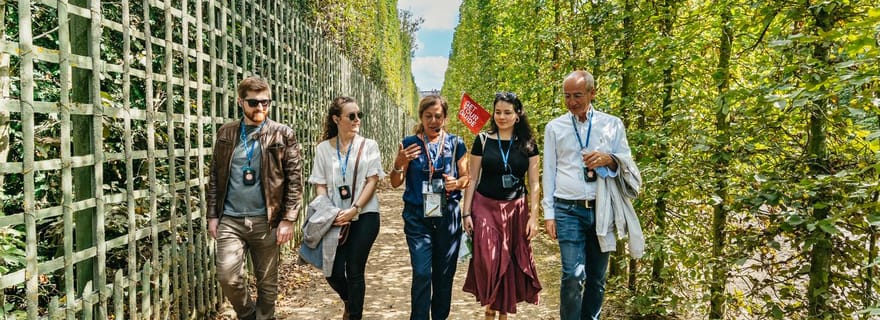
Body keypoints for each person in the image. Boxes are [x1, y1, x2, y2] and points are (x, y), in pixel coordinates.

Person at [542, 70, 639, 320]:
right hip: (567, 209)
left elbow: (626, 162)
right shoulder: (554, 127)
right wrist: (549, 214)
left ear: (592, 93)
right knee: (572, 276)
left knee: (597, 277)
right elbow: (549, 171)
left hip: (602, 209)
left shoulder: (612, 124)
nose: (572, 102)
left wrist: (610, 159)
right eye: (567, 96)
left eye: (577, 95)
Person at [207, 76, 303, 320]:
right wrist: (212, 215)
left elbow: (294, 179)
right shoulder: (227, 133)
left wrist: (289, 219)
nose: (260, 108)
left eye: (265, 102)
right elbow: (215, 176)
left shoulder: (282, 134)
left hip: (267, 219)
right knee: (227, 277)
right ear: (240, 102)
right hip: (231, 219)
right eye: (253, 102)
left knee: (267, 285)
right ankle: (248, 315)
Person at [462, 92, 542, 319]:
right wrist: (466, 213)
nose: (502, 117)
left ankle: (502, 313)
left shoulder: (528, 144)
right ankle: (490, 306)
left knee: (509, 261)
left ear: (518, 115)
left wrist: (533, 217)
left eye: (507, 112)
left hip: (516, 209)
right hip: (484, 206)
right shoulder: (483, 140)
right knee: (489, 259)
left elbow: (534, 182)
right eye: (498, 112)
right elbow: (473, 177)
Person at [390, 94, 470, 320]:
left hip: (448, 219)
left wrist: (456, 183)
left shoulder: (456, 144)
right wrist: (399, 164)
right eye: (428, 116)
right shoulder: (409, 144)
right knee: (423, 273)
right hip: (417, 218)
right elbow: (395, 183)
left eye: (438, 116)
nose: (433, 121)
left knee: (444, 277)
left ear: (445, 118)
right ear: (421, 117)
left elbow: (466, 178)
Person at [308, 96, 384, 320]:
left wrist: (355, 208)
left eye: (359, 115)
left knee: (354, 270)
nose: (357, 119)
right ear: (336, 119)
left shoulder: (369, 146)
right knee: (331, 270)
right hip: (334, 216)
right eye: (352, 116)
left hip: (366, 213)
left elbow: (372, 180)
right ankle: (350, 302)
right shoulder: (323, 149)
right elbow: (320, 185)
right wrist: (329, 212)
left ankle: (354, 315)